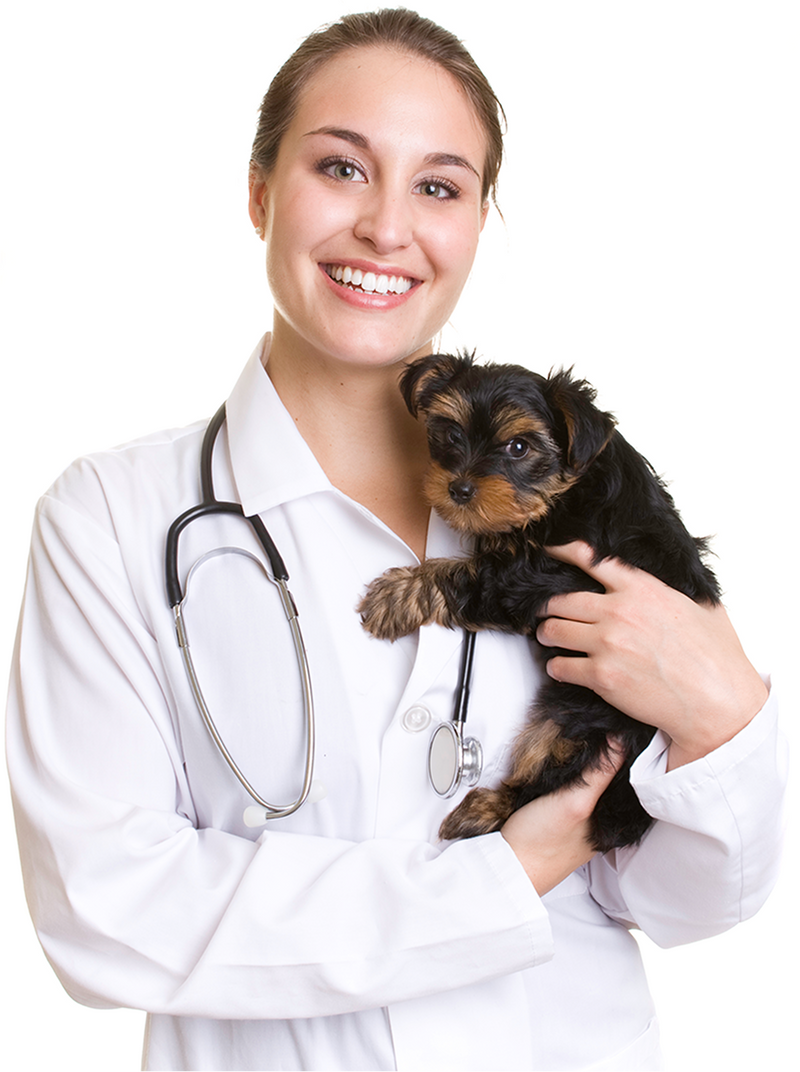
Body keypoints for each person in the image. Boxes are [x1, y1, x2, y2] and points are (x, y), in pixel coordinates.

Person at [6, 9, 785, 1071]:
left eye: (438, 186)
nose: (385, 227)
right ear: (258, 192)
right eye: (341, 167)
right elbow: (107, 913)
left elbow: (688, 903)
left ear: (477, 223)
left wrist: (726, 721)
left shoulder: (585, 512)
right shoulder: (111, 517)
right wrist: (497, 880)